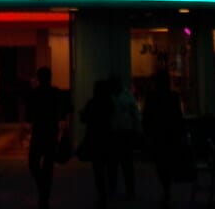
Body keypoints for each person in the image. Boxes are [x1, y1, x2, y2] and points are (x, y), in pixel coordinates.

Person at [25, 66, 71, 209]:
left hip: (39, 132)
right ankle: (44, 194)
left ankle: (43, 191)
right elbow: (67, 108)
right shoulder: (56, 92)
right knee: (48, 166)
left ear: (39, 78)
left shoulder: (34, 93)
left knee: (34, 163)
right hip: (51, 132)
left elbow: (28, 114)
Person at [142, 68, 186, 207]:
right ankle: (167, 186)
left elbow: (146, 116)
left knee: (160, 163)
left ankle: (166, 186)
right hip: (170, 134)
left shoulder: (151, 97)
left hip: (157, 134)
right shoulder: (173, 96)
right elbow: (178, 116)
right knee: (167, 161)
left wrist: (147, 133)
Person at [79, 77, 115, 207]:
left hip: (94, 137)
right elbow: (112, 115)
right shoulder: (109, 102)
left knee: (98, 167)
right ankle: (110, 188)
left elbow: (84, 118)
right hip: (107, 136)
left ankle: (102, 193)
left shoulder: (92, 103)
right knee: (109, 164)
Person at [107, 73, 141, 199]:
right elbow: (135, 112)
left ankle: (121, 188)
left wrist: (137, 128)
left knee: (122, 163)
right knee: (118, 163)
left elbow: (135, 112)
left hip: (123, 133)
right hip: (117, 132)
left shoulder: (124, 95)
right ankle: (123, 188)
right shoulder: (125, 95)